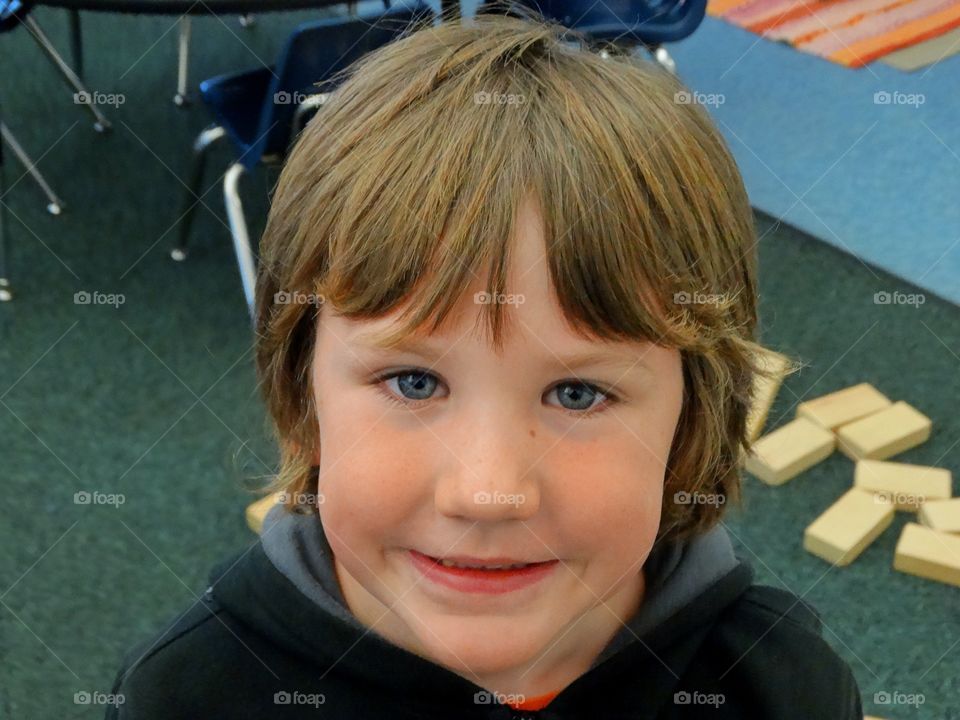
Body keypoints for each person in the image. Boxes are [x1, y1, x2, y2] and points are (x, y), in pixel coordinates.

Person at [106, 8, 863, 718]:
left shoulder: (782, 687)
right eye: (413, 382)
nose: (490, 493)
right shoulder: (184, 695)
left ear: (694, 413)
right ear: (302, 394)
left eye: (576, 393)